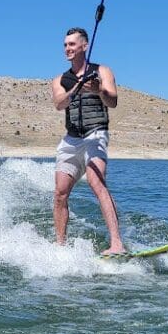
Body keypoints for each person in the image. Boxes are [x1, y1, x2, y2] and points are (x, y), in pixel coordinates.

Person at [51, 27, 125, 255]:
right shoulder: (60, 80)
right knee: (60, 193)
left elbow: (112, 101)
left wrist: (99, 90)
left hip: (96, 135)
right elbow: (59, 103)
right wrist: (76, 88)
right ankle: (60, 247)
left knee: (96, 181)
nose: (67, 49)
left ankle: (117, 244)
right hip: (71, 140)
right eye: (65, 45)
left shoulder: (102, 71)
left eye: (72, 44)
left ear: (84, 46)